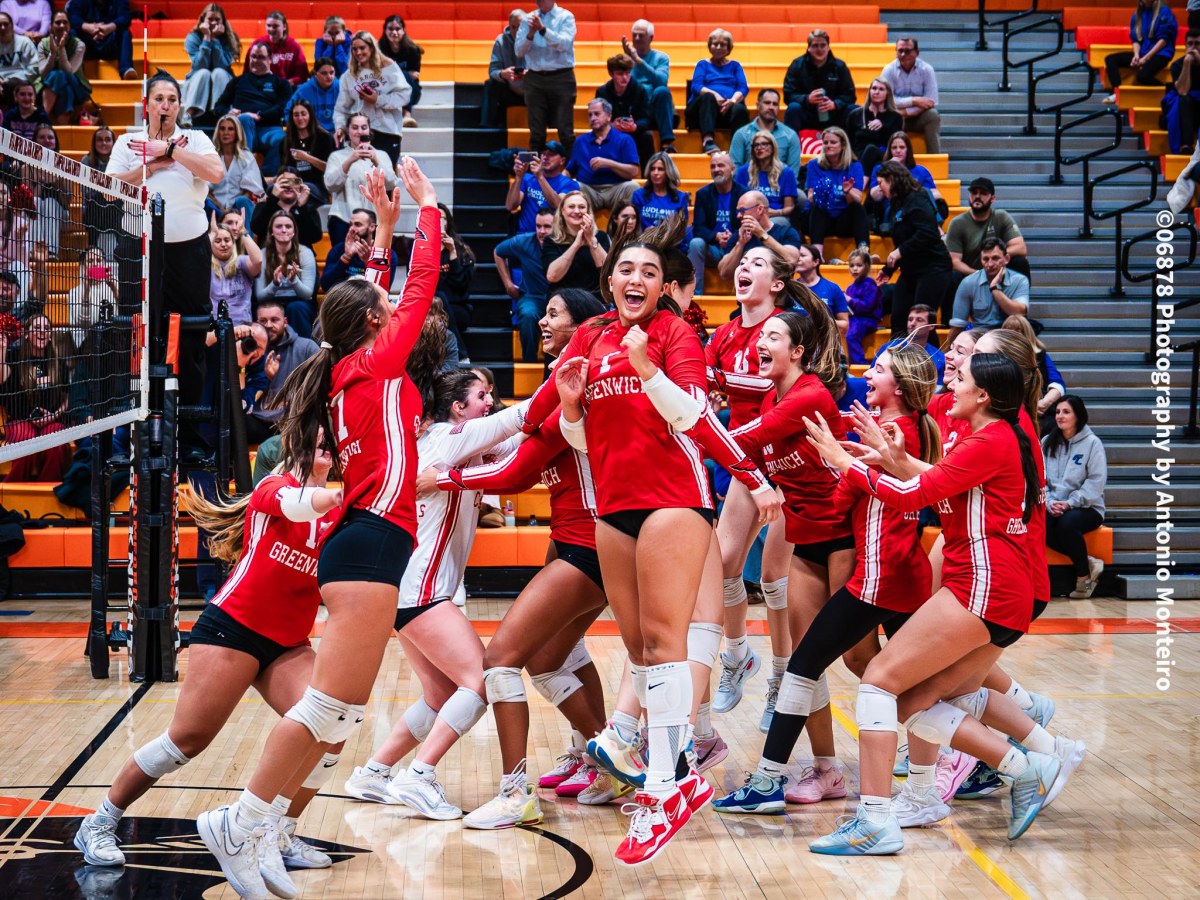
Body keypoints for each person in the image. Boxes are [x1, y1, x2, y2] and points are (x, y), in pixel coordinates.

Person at [196, 164, 437, 900]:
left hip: (364, 545)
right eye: (382, 307)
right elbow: (418, 290)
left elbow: (375, 296)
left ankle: (264, 827)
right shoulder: (372, 360)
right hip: (367, 543)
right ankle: (240, 820)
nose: (392, 306)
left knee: (341, 712)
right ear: (374, 324)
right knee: (330, 710)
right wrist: (426, 212)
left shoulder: (350, 363)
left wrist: (383, 234)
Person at [552, 216, 779, 866]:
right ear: (610, 277)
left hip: (674, 501)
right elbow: (583, 443)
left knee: (663, 640)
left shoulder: (676, 334)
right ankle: (669, 770)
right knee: (637, 649)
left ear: (661, 288)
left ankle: (663, 785)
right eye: (627, 268)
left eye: (650, 273)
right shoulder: (590, 338)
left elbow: (694, 416)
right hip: (613, 504)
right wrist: (571, 410)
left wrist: (648, 368)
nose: (637, 278)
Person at [802, 353, 1080, 855]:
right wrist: (892, 457)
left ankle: (875, 822)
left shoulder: (990, 439)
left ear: (983, 398)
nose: (949, 386)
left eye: (960, 380)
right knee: (913, 702)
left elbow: (913, 498)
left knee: (878, 681)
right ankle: (1027, 766)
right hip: (1000, 589)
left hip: (983, 586)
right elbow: (938, 480)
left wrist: (846, 465)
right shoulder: (990, 439)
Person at [73, 449, 343, 880]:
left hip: (288, 644)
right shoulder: (275, 489)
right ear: (296, 444)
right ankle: (101, 821)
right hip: (231, 630)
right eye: (319, 437)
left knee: (334, 729)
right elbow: (298, 505)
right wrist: (346, 497)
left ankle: (279, 833)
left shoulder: (336, 513)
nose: (327, 444)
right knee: (187, 740)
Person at [415, 290, 615, 825]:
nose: (540, 321)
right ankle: (601, 757)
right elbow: (513, 445)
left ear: (582, 327)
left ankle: (516, 791)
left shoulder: (578, 391)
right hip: (579, 537)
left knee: (501, 659)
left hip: (593, 540)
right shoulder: (562, 392)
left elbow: (516, 471)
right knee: (554, 657)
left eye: (553, 314)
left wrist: (446, 475)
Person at [712, 344, 939, 817]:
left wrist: (842, 461)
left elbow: (903, 490)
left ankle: (770, 780)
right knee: (899, 676)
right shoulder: (880, 428)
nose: (867, 374)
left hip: (880, 573)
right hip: (875, 567)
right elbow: (845, 494)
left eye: (878, 369)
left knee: (830, 669)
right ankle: (999, 752)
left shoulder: (894, 433)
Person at [345, 371, 532, 820]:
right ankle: (420, 774)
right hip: (421, 588)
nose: (490, 401)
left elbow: (520, 442)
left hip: (405, 585)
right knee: (480, 681)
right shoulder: (449, 437)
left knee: (439, 694)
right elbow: (521, 417)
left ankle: (373, 771)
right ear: (457, 408)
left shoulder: (452, 444)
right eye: (481, 395)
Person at [108, 72, 222, 466]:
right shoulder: (126, 142)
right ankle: (130, 438)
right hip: (137, 251)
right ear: (147, 104)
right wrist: (150, 167)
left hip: (188, 253)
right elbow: (108, 189)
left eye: (172, 98)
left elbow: (216, 174)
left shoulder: (197, 140)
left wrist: (172, 151)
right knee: (138, 337)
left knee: (190, 337)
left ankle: (188, 436)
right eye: (159, 98)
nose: (166, 105)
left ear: (179, 105)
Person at [875, 159, 955, 337]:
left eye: (881, 183)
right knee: (899, 321)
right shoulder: (897, 203)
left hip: (933, 268)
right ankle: (896, 364)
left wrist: (899, 252)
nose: (879, 188)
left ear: (892, 179)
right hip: (911, 270)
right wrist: (889, 269)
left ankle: (933, 363)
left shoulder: (917, 198)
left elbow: (928, 234)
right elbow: (904, 241)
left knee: (921, 323)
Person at [1042, 394, 1107, 598]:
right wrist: (1050, 502)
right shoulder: (1046, 442)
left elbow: (1096, 482)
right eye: (1058, 412)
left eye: (1066, 412)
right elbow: (1039, 478)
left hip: (1088, 507)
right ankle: (1089, 561)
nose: (1060, 416)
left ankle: (1083, 577)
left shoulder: (1092, 443)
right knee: (1040, 526)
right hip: (1053, 505)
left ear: (1078, 416)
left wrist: (1070, 503)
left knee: (1066, 525)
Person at [0, 313, 71, 481]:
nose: (42, 332)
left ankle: (47, 491)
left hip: (51, 420)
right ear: (26, 334)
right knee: (25, 441)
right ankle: (12, 493)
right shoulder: (13, 357)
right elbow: (2, 382)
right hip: (20, 420)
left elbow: (67, 398)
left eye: (46, 329)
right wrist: (2, 352)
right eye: (37, 328)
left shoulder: (58, 363)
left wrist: (53, 416)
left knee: (57, 442)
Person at [246, 298, 319, 443]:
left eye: (274, 320)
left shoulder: (307, 347)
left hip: (294, 421)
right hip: (259, 420)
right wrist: (266, 377)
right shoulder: (249, 349)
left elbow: (320, 385)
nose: (269, 325)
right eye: (263, 321)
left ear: (285, 322)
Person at [216, 41, 292, 178]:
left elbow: (282, 108)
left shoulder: (281, 84)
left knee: (282, 138)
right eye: (253, 57)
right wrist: (228, 113)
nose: (255, 60)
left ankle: (267, 180)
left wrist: (259, 116)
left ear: (270, 59)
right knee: (244, 119)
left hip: (269, 128)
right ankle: (244, 174)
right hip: (243, 127)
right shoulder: (237, 81)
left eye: (260, 57)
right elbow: (219, 106)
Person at [334, 31, 410, 168]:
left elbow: (405, 95)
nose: (358, 52)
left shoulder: (389, 68)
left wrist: (377, 99)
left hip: (387, 131)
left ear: (371, 48)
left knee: (385, 178)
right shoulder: (349, 75)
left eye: (362, 48)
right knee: (361, 178)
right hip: (360, 132)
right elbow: (341, 108)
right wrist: (340, 127)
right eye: (354, 49)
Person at [325, 112, 399, 248]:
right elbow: (330, 185)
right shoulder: (337, 156)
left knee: (374, 264)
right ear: (348, 130)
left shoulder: (381, 155)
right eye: (355, 127)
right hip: (343, 217)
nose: (359, 131)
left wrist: (376, 160)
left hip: (374, 220)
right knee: (343, 263)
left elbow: (391, 184)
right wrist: (350, 160)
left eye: (364, 127)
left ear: (369, 130)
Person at [516, 0, 577, 154]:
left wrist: (542, 30)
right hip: (535, 78)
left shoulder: (566, 17)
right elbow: (519, 51)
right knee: (536, 133)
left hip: (561, 77)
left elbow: (564, 44)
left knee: (565, 131)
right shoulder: (527, 19)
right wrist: (530, 34)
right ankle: (535, 174)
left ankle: (574, 173)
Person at [495, 207, 554, 362]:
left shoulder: (562, 244)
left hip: (556, 296)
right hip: (531, 296)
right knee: (528, 315)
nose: (542, 231)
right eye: (538, 226)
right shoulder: (525, 241)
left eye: (547, 227)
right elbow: (498, 252)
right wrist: (508, 284)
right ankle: (530, 362)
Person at [804, 126, 869, 263]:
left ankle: (864, 253)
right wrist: (820, 193)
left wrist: (848, 191)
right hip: (823, 220)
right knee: (818, 206)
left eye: (833, 142)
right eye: (826, 142)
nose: (828, 146)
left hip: (844, 221)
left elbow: (858, 198)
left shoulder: (854, 166)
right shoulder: (814, 165)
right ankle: (817, 255)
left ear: (843, 145)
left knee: (858, 209)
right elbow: (810, 197)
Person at [947, 176, 1031, 281]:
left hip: (998, 273)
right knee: (952, 275)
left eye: (983, 193)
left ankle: (1020, 296)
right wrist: (979, 274)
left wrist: (995, 258)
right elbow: (954, 262)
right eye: (974, 192)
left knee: (1020, 262)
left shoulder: (1001, 216)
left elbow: (1020, 248)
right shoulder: (957, 223)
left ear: (992, 199)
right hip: (971, 276)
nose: (977, 196)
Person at [566, 98, 641, 213]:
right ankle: (583, 229)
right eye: (590, 115)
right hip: (589, 190)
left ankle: (625, 229)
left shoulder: (625, 139)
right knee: (573, 186)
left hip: (616, 189)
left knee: (633, 187)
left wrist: (609, 164)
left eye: (597, 114)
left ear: (609, 116)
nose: (593, 118)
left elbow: (634, 171)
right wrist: (558, 183)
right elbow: (569, 171)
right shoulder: (580, 141)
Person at [948, 237, 1030, 342]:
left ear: (1006, 259)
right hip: (980, 338)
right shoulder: (968, 282)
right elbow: (958, 325)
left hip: (1010, 337)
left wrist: (994, 288)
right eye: (985, 259)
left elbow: (1019, 313)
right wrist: (947, 351)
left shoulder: (1019, 280)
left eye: (995, 258)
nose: (990, 264)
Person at [688, 151, 747, 291]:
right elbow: (698, 228)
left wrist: (733, 238)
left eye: (721, 165)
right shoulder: (703, 194)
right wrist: (716, 236)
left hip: (737, 248)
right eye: (713, 166)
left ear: (732, 170)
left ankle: (744, 296)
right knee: (695, 243)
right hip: (713, 248)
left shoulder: (744, 193)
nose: (716, 169)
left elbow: (748, 224)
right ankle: (694, 295)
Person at [686, 29, 750, 156]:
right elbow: (696, 86)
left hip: (726, 109)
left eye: (723, 44)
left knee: (740, 109)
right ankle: (708, 140)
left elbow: (743, 88)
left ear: (729, 48)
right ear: (710, 46)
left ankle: (737, 147)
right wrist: (715, 95)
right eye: (715, 44)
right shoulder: (703, 64)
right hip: (702, 111)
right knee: (708, 97)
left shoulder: (735, 66)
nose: (718, 47)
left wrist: (731, 101)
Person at [715, 190, 803, 282]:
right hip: (748, 292)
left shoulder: (787, 232)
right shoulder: (739, 236)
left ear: (760, 209)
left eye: (742, 210)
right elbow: (724, 273)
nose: (738, 215)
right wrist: (740, 244)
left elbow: (792, 261)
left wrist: (762, 235)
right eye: (738, 211)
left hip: (780, 292)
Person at [867, 130, 945, 231]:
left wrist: (913, 193)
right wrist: (889, 170)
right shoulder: (880, 169)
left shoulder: (920, 170)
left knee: (924, 194)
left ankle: (935, 228)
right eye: (894, 148)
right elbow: (875, 197)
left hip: (917, 210)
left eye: (902, 147)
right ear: (889, 150)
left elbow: (936, 195)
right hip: (893, 212)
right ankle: (937, 229)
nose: (898, 151)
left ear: (908, 150)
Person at [254, 210, 316, 336]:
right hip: (271, 300)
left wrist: (294, 281)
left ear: (294, 232)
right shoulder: (262, 254)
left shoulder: (305, 253)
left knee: (296, 308)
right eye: (278, 226)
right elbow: (259, 296)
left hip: (299, 301)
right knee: (267, 310)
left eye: (288, 226)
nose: (283, 230)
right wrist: (275, 284)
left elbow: (308, 293)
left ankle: (303, 350)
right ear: (271, 231)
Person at [782, 29, 856, 133]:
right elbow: (788, 95)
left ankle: (853, 148)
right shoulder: (797, 65)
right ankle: (791, 147)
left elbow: (850, 95)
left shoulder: (839, 66)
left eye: (823, 45)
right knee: (793, 108)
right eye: (815, 46)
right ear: (809, 48)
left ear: (828, 47)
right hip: (808, 113)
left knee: (853, 110)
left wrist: (835, 104)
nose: (819, 49)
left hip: (833, 114)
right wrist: (807, 99)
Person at [1104, 0, 1179, 103]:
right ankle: (1117, 92)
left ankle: (1170, 92)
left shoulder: (1164, 12)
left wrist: (1145, 58)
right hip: (1143, 52)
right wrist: (1136, 55)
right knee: (1110, 59)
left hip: (1161, 53)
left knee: (1143, 76)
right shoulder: (1138, 14)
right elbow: (1136, 39)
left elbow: (1163, 41)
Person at [879, 37, 942, 154]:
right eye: (900, 51)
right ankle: (886, 158)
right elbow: (886, 100)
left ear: (917, 53)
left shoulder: (927, 70)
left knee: (933, 115)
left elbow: (931, 101)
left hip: (917, 117)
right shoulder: (888, 70)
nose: (903, 54)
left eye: (907, 51)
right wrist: (914, 100)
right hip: (895, 117)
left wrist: (905, 112)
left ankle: (934, 157)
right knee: (884, 116)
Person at [622, 19, 676, 154]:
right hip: (635, 108)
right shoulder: (625, 59)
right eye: (634, 35)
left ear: (651, 38)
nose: (636, 38)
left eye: (641, 35)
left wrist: (638, 61)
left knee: (662, 91)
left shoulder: (661, 58)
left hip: (654, 107)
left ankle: (667, 142)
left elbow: (660, 81)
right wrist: (630, 59)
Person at [1002, 314, 1066, 427]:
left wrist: (1043, 404)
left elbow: (1057, 384)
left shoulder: (1040, 355)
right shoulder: (998, 357)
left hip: (1040, 414)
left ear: (1027, 332)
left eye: (1018, 330)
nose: (1014, 334)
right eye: (1009, 330)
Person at [180, 3, 238, 125]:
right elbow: (200, 65)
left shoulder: (231, 38)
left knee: (218, 72)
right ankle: (189, 114)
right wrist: (207, 38)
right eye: (210, 19)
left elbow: (222, 64)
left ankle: (222, 114)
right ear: (203, 20)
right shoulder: (193, 37)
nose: (213, 23)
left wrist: (215, 39)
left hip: (223, 79)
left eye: (217, 20)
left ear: (223, 22)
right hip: (197, 79)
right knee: (204, 73)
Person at [506, 140, 578, 233]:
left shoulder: (570, 184)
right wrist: (519, 177)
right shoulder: (526, 179)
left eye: (551, 154)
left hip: (553, 237)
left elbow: (558, 206)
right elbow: (510, 206)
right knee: (500, 248)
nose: (545, 157)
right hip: (525, 236)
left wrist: (540, 177)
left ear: (562, 161)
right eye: (543, 154)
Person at [596, 52, 654, 166]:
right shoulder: (602, 92)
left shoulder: (639, 90)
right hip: (611, 133)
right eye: (620, 74)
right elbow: (597, 118)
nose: (625, 78)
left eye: (627, 73)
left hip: (635, 133)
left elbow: (646, 118)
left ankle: (648, 175)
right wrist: (611, 125)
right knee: (598, 137)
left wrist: (634, 126)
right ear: (611, 74)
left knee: (647, 137)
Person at [321, 207, 398, 293]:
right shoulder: (339, 250)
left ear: (372, 227)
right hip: (343, 300)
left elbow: (383, 291)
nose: (351, 229)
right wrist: (346, 257)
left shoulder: (386, 254)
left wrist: (369, 263)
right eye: (350, 224)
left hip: (370, 302)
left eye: (357, 225)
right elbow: (326, 286)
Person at [735, 130, 800, 227]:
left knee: (778, 224)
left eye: (764, 144)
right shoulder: (743, 172)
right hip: (750, 216)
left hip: (775, 216)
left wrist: (775, 212)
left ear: (773, 147)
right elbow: (738, 205)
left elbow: (789, 207)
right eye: (756, 145)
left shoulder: (786, 172)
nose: (759, 148)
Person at [434, 203, 477, 351]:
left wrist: (452, 253)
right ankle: (461, 354)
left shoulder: (460, 249)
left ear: (448, 222)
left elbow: (461, 284)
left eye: (442, 219)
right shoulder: (420, 249)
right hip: (430, 307)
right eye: (435, 219)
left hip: (457, 306)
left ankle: (460, 352)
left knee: (441, 303)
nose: (439, 222)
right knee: (438, 300)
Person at [730, 88, 802, 174]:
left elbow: (793, 174)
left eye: (775, 104)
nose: (771, 107)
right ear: (757, 105)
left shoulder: (790, 135)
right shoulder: (742, 134)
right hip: (749, 185)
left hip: (780, 185)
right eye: (767, 103)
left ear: (778, 108)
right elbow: (734, 169)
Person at [37, 10, 90, 123]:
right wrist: (52, 53)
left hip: (77, 86)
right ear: (51, 26)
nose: (62, 25)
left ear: (69, 26)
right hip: (51, 84)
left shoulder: (79, 44)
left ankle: (43, 116)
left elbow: (69, 72)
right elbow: (43, 73)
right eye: (58, 22)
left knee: (60, 74)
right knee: (65, 89)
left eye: (65, 22)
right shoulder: (42, 44)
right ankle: (61, 124)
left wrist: (61, 50)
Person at [208, 114, 263, 223]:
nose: (226, 133)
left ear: (237, 132)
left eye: (231, 129)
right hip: (215, 208)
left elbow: (251, 190)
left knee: (243, 201)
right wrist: (220, 208)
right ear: (218, 132)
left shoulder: (246, 156)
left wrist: (232, 210)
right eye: (222, 129)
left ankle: (246, 237)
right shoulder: (211, 156)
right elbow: (205, 189)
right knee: (204, 200)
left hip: (239, 208)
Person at [873, 304, 946, 383]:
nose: (912, 323)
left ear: (931, 326)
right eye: (910, 319)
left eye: (919, 320)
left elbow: (938, 389)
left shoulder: (939, 358)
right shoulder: (888, 348)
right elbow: (872, 376)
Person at [279, 98, 334, 202]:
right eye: (296, 115)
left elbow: (331, 170)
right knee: (272, 189)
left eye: (303, 114)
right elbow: (284, 169)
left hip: (318, 185)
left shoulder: (325, 138)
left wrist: (307, 158)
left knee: (305, 187)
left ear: (310, 115)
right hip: (294, 184)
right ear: (292, 118)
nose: (300, 118)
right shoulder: (286, 142)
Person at [209, 216, 261, 326]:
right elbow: (196, 259)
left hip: (242, 325)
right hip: (214, 326)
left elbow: (258, 260)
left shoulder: (242, 262)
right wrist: (212, 234)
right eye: (217, 241)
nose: (223, 244)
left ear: (233, 243)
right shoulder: (205, 266)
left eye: (227, 240)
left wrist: (243, 231)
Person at [66, 0, 134, 81]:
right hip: (88, 46)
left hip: (109, 45)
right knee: (73, 32)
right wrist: (87, 27)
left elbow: (125, 17)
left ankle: (126, 69)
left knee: (125, 32)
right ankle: (77, 71)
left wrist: (109, 27)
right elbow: (72, 17)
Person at [848, 79, 903, 177]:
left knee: (871, 150)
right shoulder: (855, 115)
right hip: (859, 157)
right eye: (874, 88)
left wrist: (884, 125)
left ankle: (860, 184)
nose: (876, 92)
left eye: (881, 89)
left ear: (887, 94)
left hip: (883, 155)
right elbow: (848, 141)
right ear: (869, 92)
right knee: (876, 167)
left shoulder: (895, 117)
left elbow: (896, 142)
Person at [482, 9, 526, 128]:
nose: (516, 31)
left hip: (532, 93)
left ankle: (550, 125)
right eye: (513, 27)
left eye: (520, 27)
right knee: (491, 84)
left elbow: (546, 71)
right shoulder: (501, 41)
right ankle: (487, 126)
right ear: (509, 26)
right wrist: (503, 74)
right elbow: (493, 71)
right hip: (509, 90)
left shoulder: (535, 41)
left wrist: (532, 74)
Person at [793, 243, 849, 334]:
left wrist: (825, 320)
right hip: (797, 341)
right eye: (797, 256)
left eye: (802, 255)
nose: (798, 258)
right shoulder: (791, 288)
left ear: (816, 262)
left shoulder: (833, 288)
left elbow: (845, 325)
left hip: (824, 342)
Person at [378, 16, 423, 128]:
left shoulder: (413, 50)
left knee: (403, 75)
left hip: (412, 92)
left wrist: (392, 73)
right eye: (390, 29)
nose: (394, 32)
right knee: (403, 74)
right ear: (385, 30)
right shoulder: (379, 50)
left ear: (403, 31)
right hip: (388, 89)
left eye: (398, 29)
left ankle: (407, 115)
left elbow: (414, 76)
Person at [631, 151, 690, 234]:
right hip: (643, 242)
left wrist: (663, 234)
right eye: (652, 169)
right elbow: (633, 225)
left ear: (668, 172)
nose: (655, 173)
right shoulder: (638, 195)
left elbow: (681, 229)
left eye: (660, 169)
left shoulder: (680, 197)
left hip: (670, 243)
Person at [1164, 28, 1200, 153]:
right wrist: (1187, 64)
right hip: (1187, 109)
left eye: (1197, 44)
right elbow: (1183, 91)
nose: (1193, 48)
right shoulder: (1177, 65)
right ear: (1185, 46)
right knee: (1184, 99)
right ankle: (1186, 145)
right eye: (1190, 44)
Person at [284, 57, 339, 136]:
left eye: (332, 72)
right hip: (312, 135)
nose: (329, 76)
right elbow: (288, 112)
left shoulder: (341, 87)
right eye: (324, 73)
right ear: (316, 74)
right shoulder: (304, 90)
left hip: (338, 133)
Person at [249, 10, 306, 86]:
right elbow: (248, 71)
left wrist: (285, 84)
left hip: (288, 89)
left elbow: (302, 76)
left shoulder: (294, 46)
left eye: (275, 26)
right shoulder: (257, 44)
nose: (271, 29)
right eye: (269, 26)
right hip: (261, 87)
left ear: (284, 26)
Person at [845, 248, 882, 362]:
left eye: (859, 265)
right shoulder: (850, 287)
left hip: (868, 319)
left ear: (866, 266)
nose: (855, 268)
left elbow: (867, 306)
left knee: (851, 336)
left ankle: (860, 363)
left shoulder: (869, 284)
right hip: (855, 318)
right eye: (852, 265)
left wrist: (849, 300)